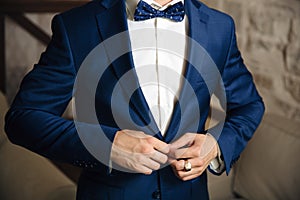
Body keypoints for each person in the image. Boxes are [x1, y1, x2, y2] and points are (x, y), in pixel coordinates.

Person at [5, 0, 265, 199]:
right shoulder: (77, 26)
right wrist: (107, 145)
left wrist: (215, 145)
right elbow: (24, 117)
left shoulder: (220, 27)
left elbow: (249, 105)